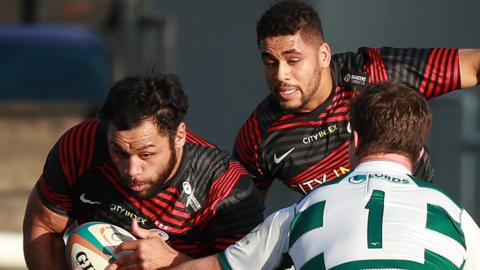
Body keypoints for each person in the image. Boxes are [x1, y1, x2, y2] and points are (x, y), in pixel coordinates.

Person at [159, 81, 480, 270]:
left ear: (353, 140)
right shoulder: (456, 218)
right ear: (420, 152)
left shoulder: (304, 210)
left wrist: (165, 260)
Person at [233, 0, 480, 198]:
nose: (281, 75)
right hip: (337, 252)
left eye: (293, 60)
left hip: (415, 231)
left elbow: (474, 65)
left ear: (323, 55)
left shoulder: (375, 73)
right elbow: (244, 222)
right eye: (270, 62)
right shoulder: (258, 136)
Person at [22, 73, 264, 269]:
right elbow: (43, 225)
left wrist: (175, 263)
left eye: (146, 154)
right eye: (119, 152)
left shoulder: (225, 186)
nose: (132, 170)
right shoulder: (83, 145)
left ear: (179, 136)